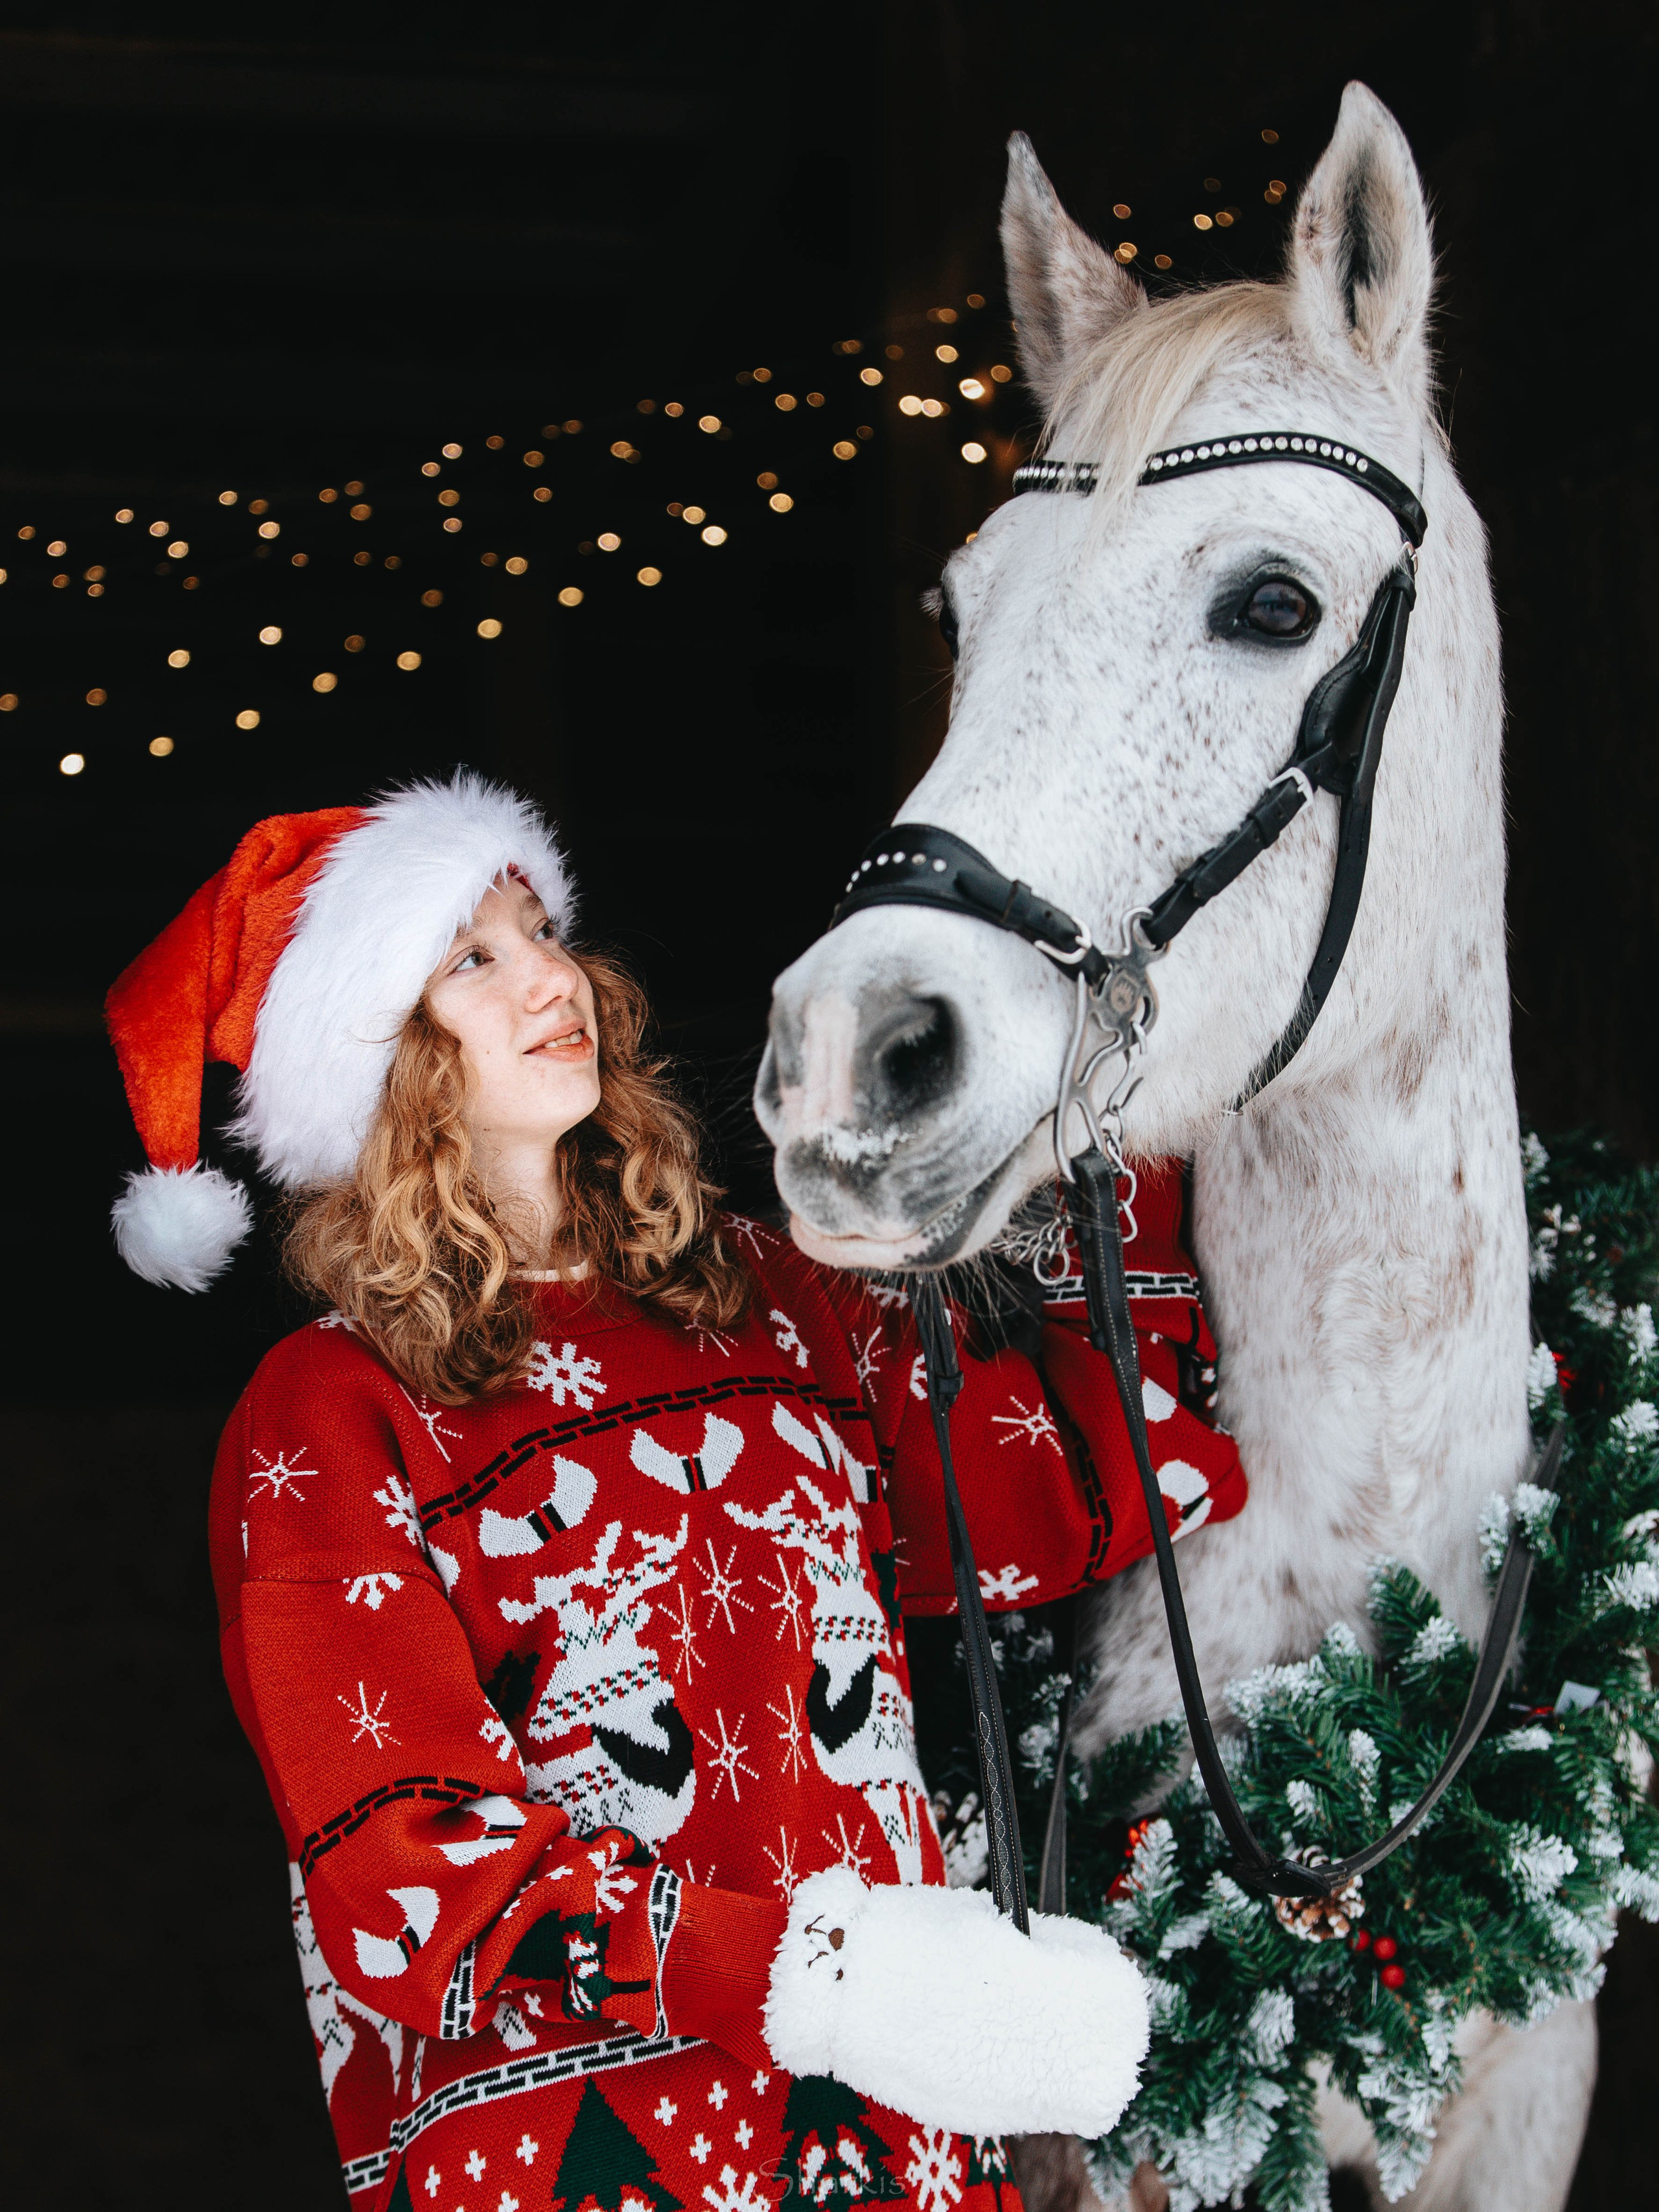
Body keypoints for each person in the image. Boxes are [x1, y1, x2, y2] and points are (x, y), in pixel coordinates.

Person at [104, 774, 1249, 2212]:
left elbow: (1054, 1493)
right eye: (472, 959)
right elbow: (414, 1873)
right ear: (377, 1059)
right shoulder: (333, 1413)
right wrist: (820, 1980)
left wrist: (1128, 1111)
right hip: (576, 2162)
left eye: (538, 931)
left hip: (893, 2143)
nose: (548, 977)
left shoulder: (771, 1294)